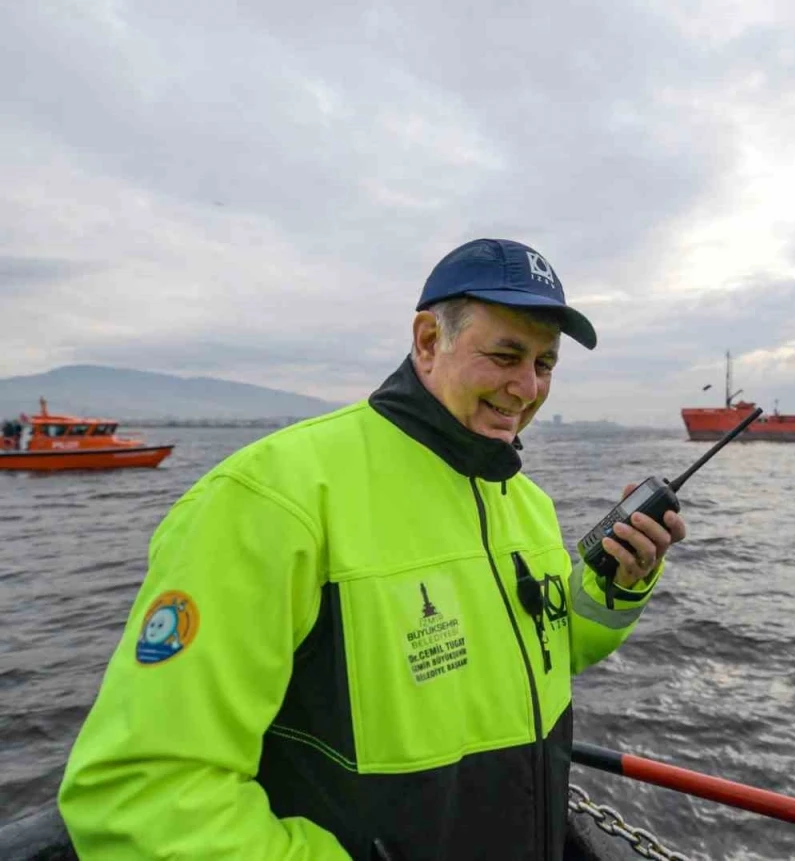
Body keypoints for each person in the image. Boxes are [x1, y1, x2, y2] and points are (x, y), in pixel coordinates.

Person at [58, 238, 687, 861]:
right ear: (428, 340)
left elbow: (556, 653)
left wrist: (618, 580)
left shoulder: (526, 502)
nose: (526, 387)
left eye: (545, 364)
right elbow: (141, 796)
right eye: (505, 355)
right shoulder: (271, 497)